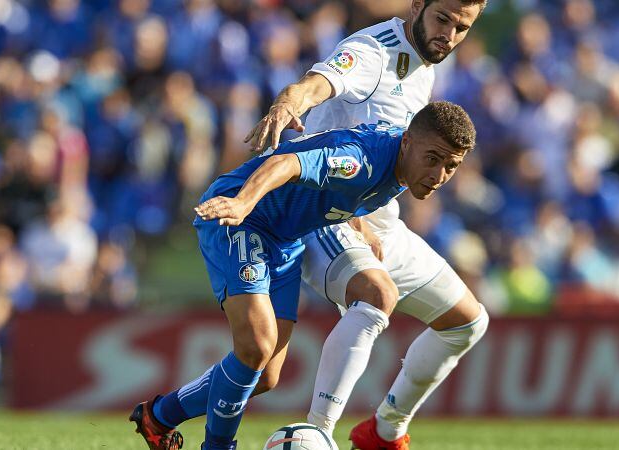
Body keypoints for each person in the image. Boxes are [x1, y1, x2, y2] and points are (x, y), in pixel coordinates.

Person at [129, 101, 476, 450]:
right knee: (256, 346)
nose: (439, 175)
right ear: (407, 142)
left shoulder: (404, 168)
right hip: (242, 219)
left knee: (265, 375)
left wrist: (356, 221)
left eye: (451, 166)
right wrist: (243, 202)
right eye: (433, 159)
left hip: (284, 240)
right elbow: (287, 163)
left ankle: (158, 416)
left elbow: (341, 187)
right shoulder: (362, 161)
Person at [243, 1, 489, 449]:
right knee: (376, 296)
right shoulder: (374, 50)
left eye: (462, 28)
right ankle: (317, 431)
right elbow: (318, 83)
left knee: (467, 323)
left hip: (379, 223)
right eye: (442, 20)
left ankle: (384, 431)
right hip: (327, 212)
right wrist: (286, 104)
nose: (449, 36)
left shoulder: (426, 65)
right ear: (417, 5)